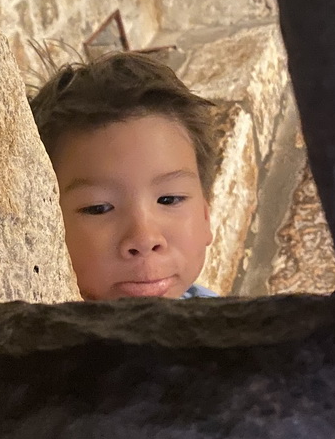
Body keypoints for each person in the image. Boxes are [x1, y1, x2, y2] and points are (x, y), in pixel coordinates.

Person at [29, 50, 219, 301]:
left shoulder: (227, 323)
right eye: (98, 208)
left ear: (206, 215)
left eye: (169, 200)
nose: (144, 238)